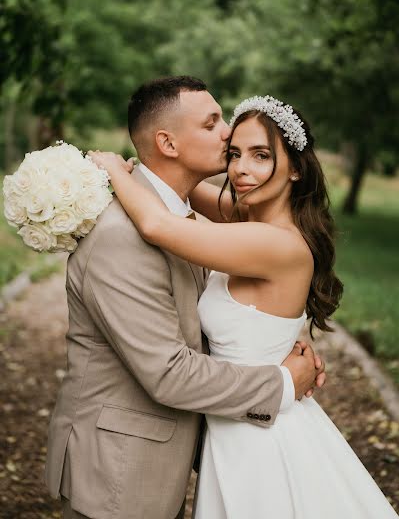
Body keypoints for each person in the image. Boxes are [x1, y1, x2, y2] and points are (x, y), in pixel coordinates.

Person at [89, 92, 398, 518]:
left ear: (294, 169)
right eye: (234, 153)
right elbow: (184, 190)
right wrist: (155, 163)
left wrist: (111, 168)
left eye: (260, 155)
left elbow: (158, 223)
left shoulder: (272, 242)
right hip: (239, 420)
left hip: (261, 435)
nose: (240, 169)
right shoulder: (249, 220)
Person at [45, 77, 325, 519]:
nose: (228, 135)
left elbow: (166, 226)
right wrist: (283, 379)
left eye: (260, 153)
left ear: (294, 168)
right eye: (214, 124)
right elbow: (170, 372)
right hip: (121, 471)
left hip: (206, 450)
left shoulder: (193, 221)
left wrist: (275, 345)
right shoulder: (127, 234)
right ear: (168, 143)